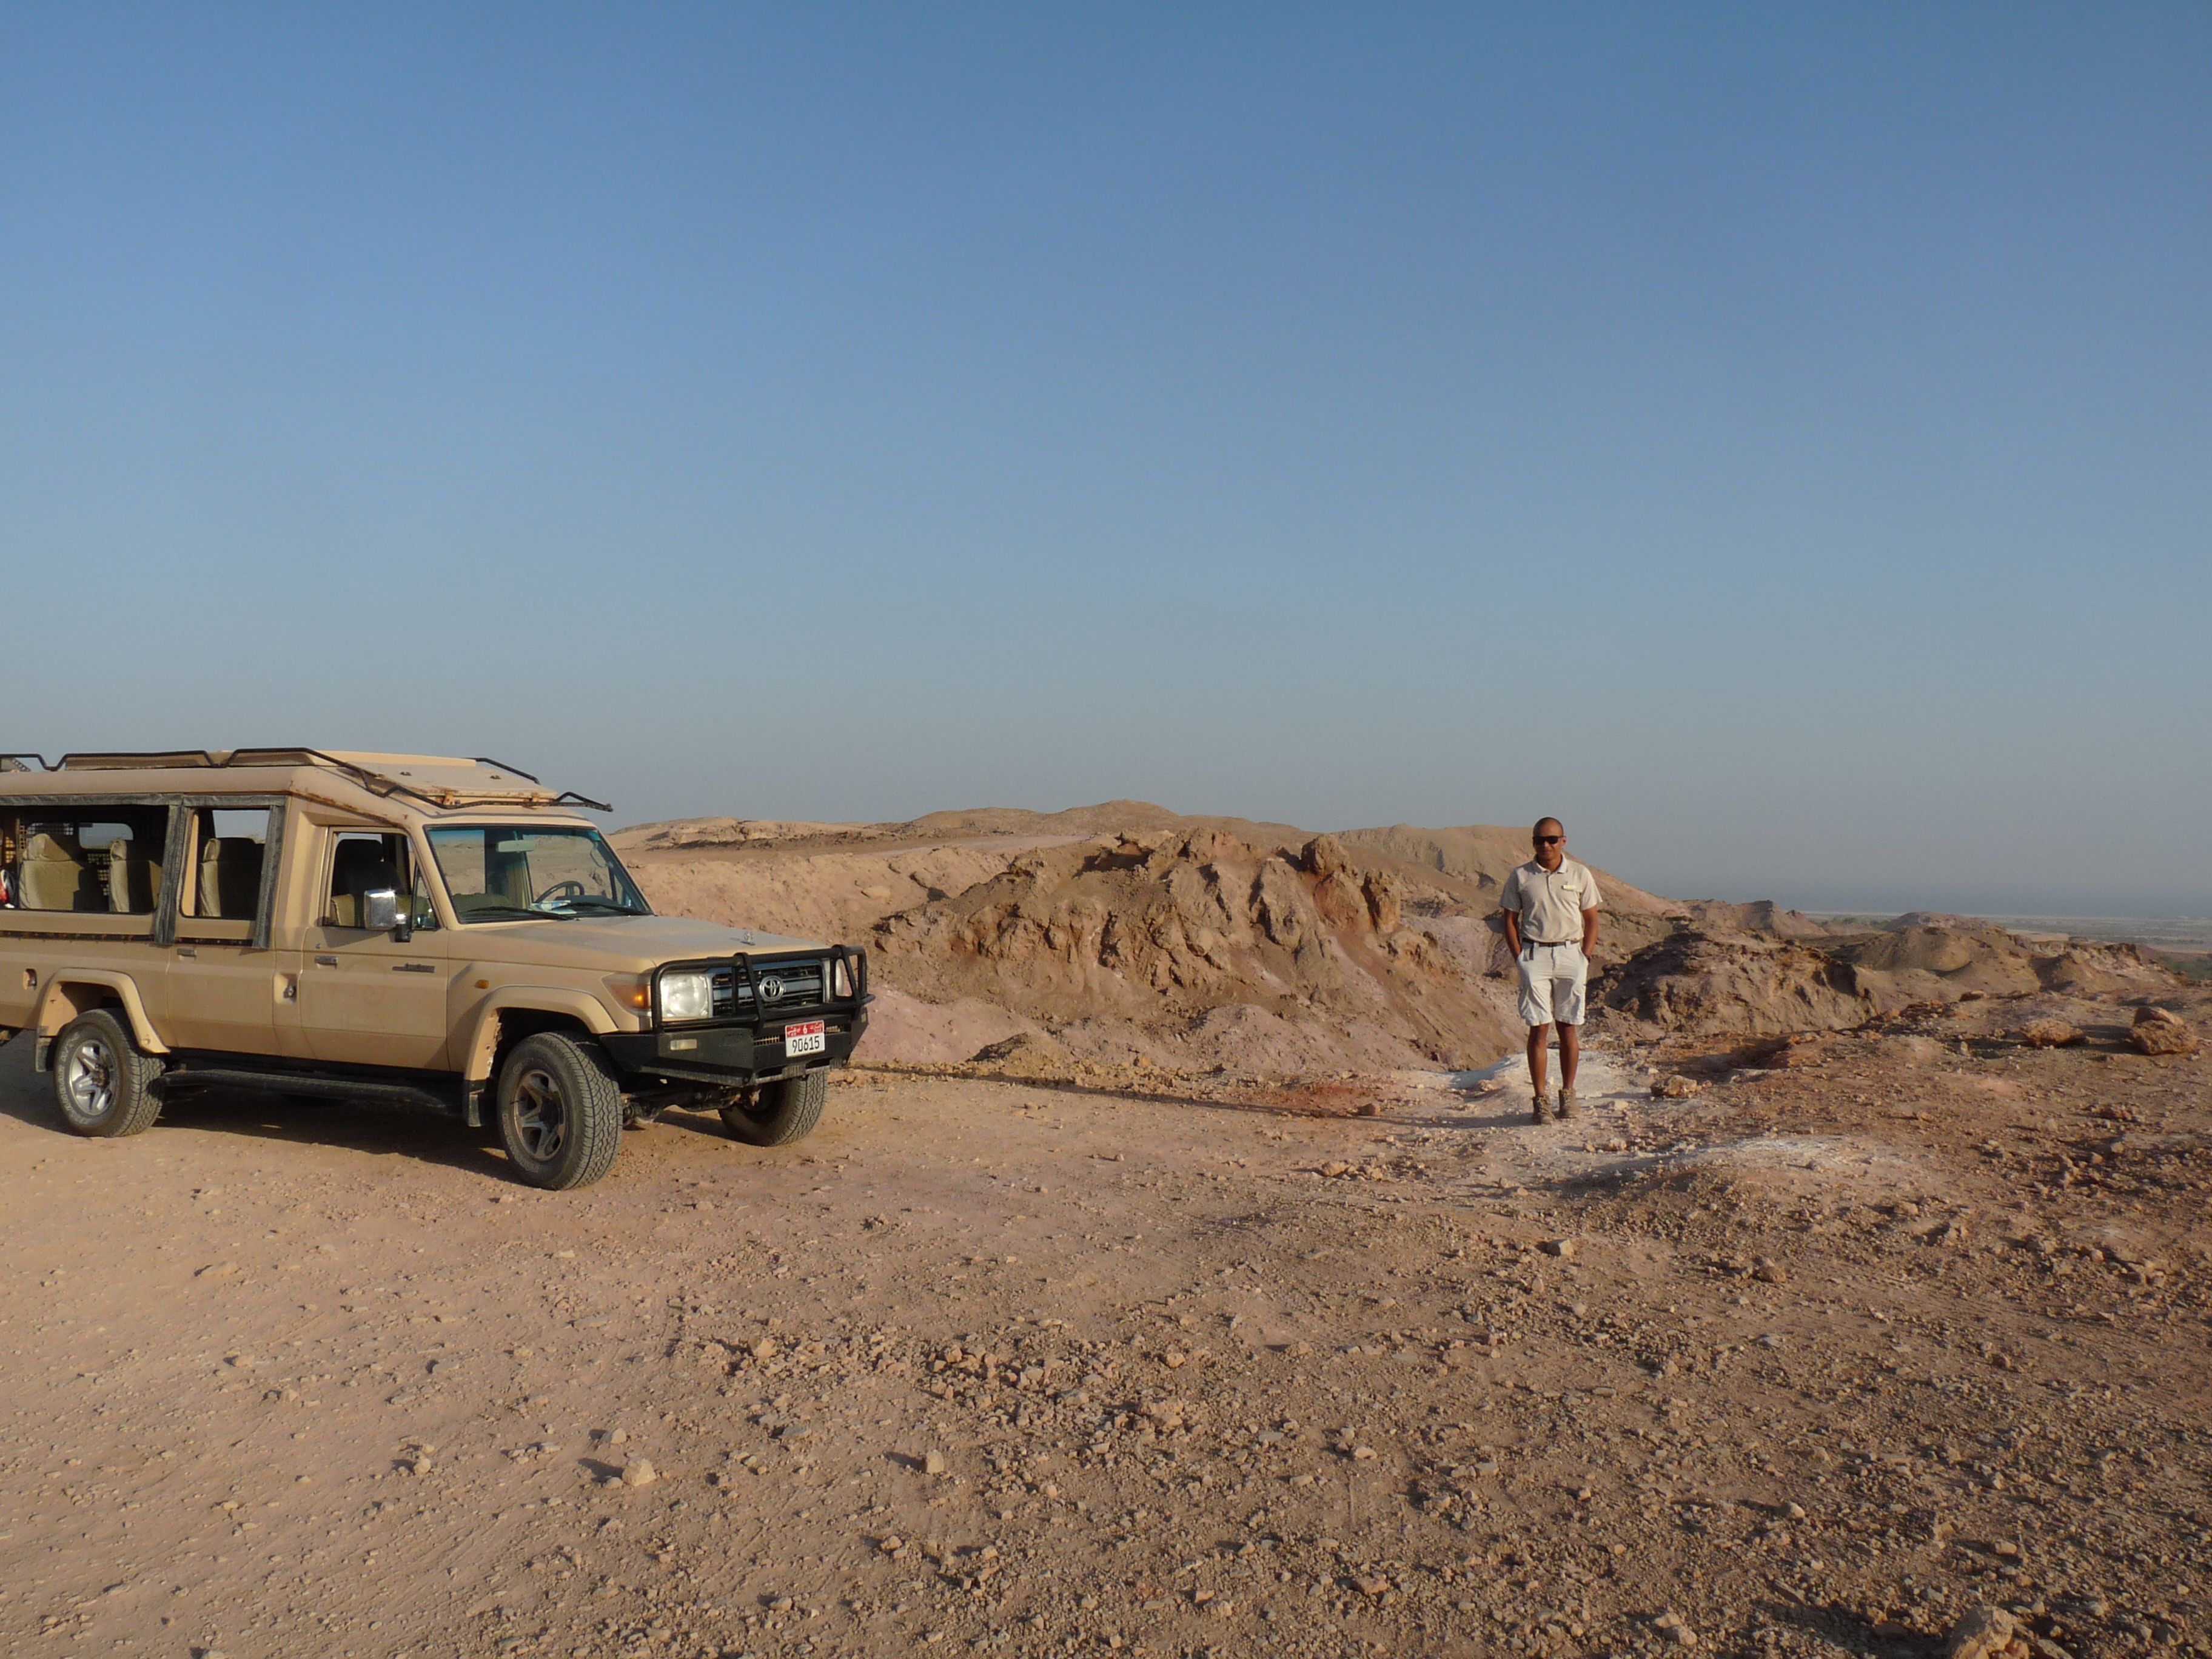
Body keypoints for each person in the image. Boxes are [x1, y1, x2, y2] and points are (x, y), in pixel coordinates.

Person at [1499, 817, 1602, 1124]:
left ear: (1564, 841)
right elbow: (1509, 919)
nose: (1546, 845)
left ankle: (1568, 1096)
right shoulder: (1520, 876)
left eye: (1552, 839)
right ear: (1533, 842)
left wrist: (1585, 955)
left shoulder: (1580, 874)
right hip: (1536, 955)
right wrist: (1520, 957)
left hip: (1571, 953)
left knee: (1568, 1026)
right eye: (1540, 840)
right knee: (1539, 1028)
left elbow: (1592, 918)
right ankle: (1540, 1101)